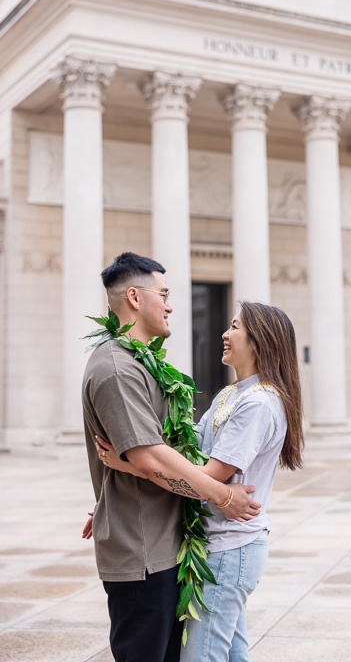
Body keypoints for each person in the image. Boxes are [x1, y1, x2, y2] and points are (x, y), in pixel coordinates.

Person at [97, 299, 304, 662]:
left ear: (259, 340)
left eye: (235, 327)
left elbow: (204, 478)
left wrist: (131, 466)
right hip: (220, 546)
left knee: (201, 657)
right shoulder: (232, 393)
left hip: (229, 549)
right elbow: (192, 454)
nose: (225, 334)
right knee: (231, 653)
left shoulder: (259, 403)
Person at [82, 252, 261, 662]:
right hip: (143, 551)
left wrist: (110, 494)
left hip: (164, 545)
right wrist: (222, 494)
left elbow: (158, 453)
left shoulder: (142, 364)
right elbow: (151, 458)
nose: (170, 304)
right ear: (134, 297)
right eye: (163, 294)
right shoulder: (116, 369)